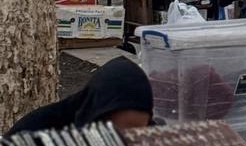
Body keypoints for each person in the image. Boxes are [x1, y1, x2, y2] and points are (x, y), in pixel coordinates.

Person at [8, 58, 153, 135]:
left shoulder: (150, 138)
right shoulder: (33, 134)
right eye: (117, 135)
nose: (129, 143)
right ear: (95, 115)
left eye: (137, 134)